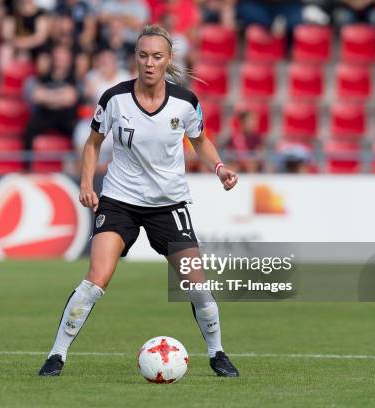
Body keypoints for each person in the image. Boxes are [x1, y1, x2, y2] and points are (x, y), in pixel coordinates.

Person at [38, 25, 240, 378]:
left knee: (197, 285)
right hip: (120, 200)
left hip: (169, 203)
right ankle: (56, 356)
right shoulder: (114, 98)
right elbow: (92, 144)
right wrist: (87, 184)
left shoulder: (186, 102)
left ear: (169, 60)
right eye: (143, 56)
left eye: (157, 57)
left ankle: (217, 352)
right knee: (96, 280)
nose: (149, 63)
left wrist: (219, 167)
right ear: (135, 58)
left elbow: (201, 141)